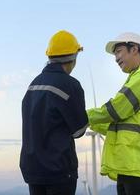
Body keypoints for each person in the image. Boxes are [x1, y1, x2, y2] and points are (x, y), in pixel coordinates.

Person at [87, 32, 140, 195]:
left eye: (119, 51)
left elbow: (117, 109)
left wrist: (82, 116)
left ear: (135, 49)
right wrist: (90, 122)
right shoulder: (137, 77)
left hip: (139, 165)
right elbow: (118, 125)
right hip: (130, 166)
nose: (116, 58)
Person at [20, 30, 89, 195]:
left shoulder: (33, 85)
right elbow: (79, 130)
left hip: (32, 169)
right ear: (73, 57)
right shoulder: (70, 84)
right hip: (59, 170)